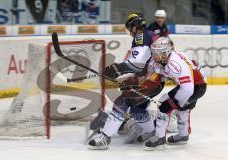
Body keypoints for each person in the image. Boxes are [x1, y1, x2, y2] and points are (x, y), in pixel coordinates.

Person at [87, 13, 163, 150]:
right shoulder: (149, 34)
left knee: (122, 101)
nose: (130, 32)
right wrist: (123, 74)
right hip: (154, 80)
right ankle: (151, 131)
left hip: (151, 80)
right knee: (136, 109)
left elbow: (137, 62)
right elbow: (143, 64)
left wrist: (116, 68)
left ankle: (104, 137)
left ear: (135, 26)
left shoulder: (141, 36)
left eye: (130, 28)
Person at [144, 37, 207, 150]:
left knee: (164, 106)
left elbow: (188, 89)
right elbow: (151, 71)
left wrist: (174, 103)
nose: (154, 55)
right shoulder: (163, 59)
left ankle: (160, 138)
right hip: (193, 84)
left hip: (196, 88)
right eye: (153, 52)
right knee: (181, 108)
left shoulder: (175, 64)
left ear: (165, 53)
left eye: (156, 53)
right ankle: (183, 136)